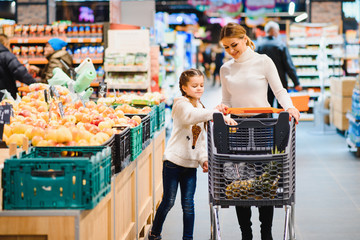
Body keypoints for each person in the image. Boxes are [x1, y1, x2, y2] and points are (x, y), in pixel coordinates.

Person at [216, 23, 300, 240]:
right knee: (240, 182)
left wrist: (289, 107)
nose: (231, 51)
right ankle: (246, 234)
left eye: (234, 45)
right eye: (226, 47)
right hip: (237, 129)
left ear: (245, 39)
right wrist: (223, 110)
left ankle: (266, 234)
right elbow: (226, 100)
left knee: (264, 182)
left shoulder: (263, 61)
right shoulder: (225, 69)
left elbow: (279, 90)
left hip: (263, 126)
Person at [148, 69, 236, 240]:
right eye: (194, 86)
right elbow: (190, 116)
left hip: (190, 166)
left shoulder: (200, 107)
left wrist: (203, 158)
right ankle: (155, 233)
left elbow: (200, 139)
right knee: (169, 201)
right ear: (184, 88)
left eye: (201, 85)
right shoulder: (180, 104)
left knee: (188, 204)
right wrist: (216, 114)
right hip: (173, 162)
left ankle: (188, 238)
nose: (199, 88)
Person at [256, 21, 302, 108]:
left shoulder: (259, 46)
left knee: (266, 107)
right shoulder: (280, 45)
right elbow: (288, 66)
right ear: (275, 31)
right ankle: (281, 122)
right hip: (280, 82)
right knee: (283, 107)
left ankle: (268, 122)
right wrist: (296, 83)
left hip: (263, 82)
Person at [0, 34, 36, 99]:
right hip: (5, 94)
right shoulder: (6, 55)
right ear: (5, 44)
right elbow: (19, 72)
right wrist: (34, 84)